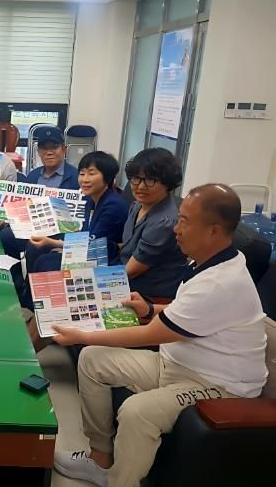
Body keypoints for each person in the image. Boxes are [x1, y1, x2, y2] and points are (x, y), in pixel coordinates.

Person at [51, 184, 267, 487]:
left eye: (184, 221)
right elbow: (190, 312)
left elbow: (151, 334)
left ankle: (120, 482)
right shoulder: (214, 261)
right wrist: (151, 308)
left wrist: (82, 334)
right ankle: (99, 459)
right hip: (176, 365)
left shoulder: (222, 281)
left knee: (137, 412)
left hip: (218, 385)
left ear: (213, 231)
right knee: (92, 360)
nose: (176, 229)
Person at [27, 151, 128, 273]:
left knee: (46, 262)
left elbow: (93, 244)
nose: (85, 180)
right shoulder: (91, 199)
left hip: (103, 260)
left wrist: (55, 244)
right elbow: (85, 233)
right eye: (82, 173)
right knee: (35, 249)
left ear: (107, 177)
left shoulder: (113, 205)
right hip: (88, 252)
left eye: (91, 174)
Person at [0, 126, 80, 259]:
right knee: (6, 235)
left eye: (54, 147)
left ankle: (31, 273)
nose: (49, 152)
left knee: (34, 246)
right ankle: (15, 269)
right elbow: (23, 205)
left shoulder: (77, 177)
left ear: (64, 149)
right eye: (44, 148)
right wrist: (9, 217)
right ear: (38, 152)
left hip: (60, 231)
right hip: (33, 226)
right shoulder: (33, 176)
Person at [120, 148, 188, 300]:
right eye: (136, 178)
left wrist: (93, 281)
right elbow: (128, 246)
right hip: (128, 280)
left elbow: (132, 271)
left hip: (151, 295)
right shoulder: (138, 205)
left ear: (167, 183)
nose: (141, 186)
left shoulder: (165, 222)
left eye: (150, 180)